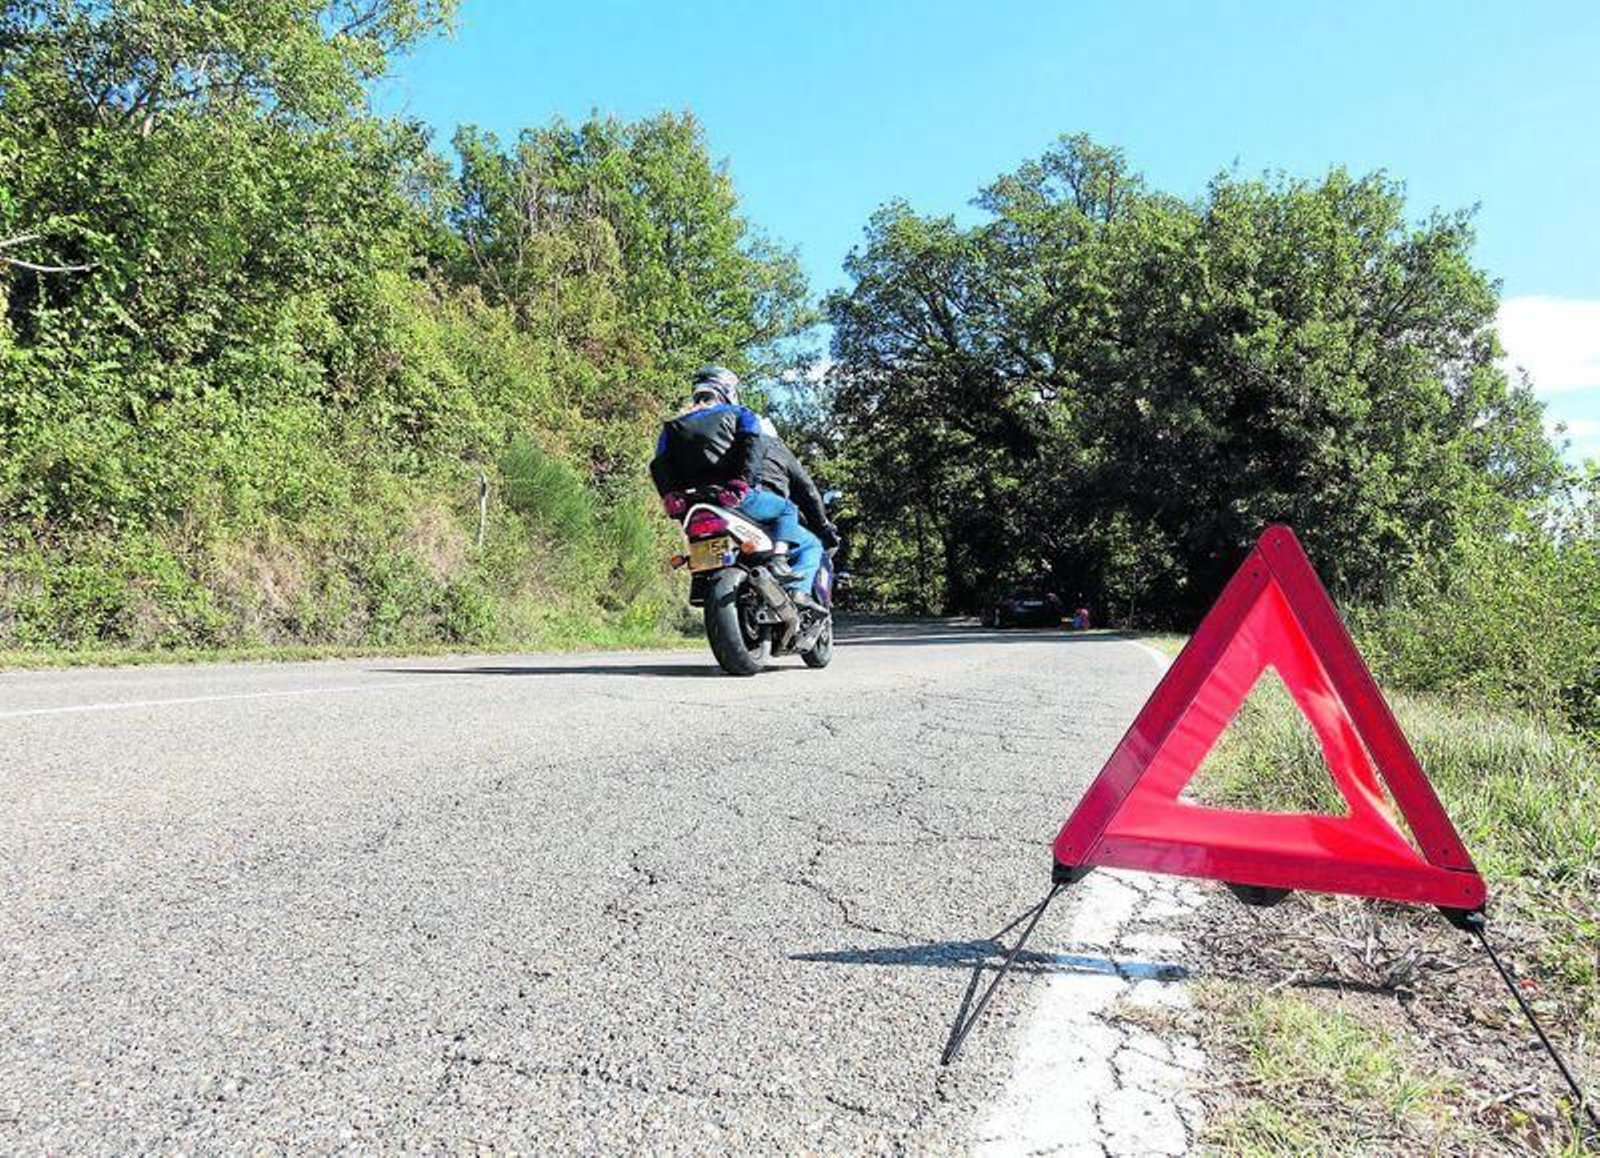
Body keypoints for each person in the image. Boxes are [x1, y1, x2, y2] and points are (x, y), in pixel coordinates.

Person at [649, 367, 823, 598]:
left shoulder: (670, 428)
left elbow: (658, 465)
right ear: (727, 390)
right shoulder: (741, 414)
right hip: (731, 498)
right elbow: (752, 448)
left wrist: (671, 496)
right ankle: (780, 560)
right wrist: (741, 484)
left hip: (693, 504)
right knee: (787, 509)